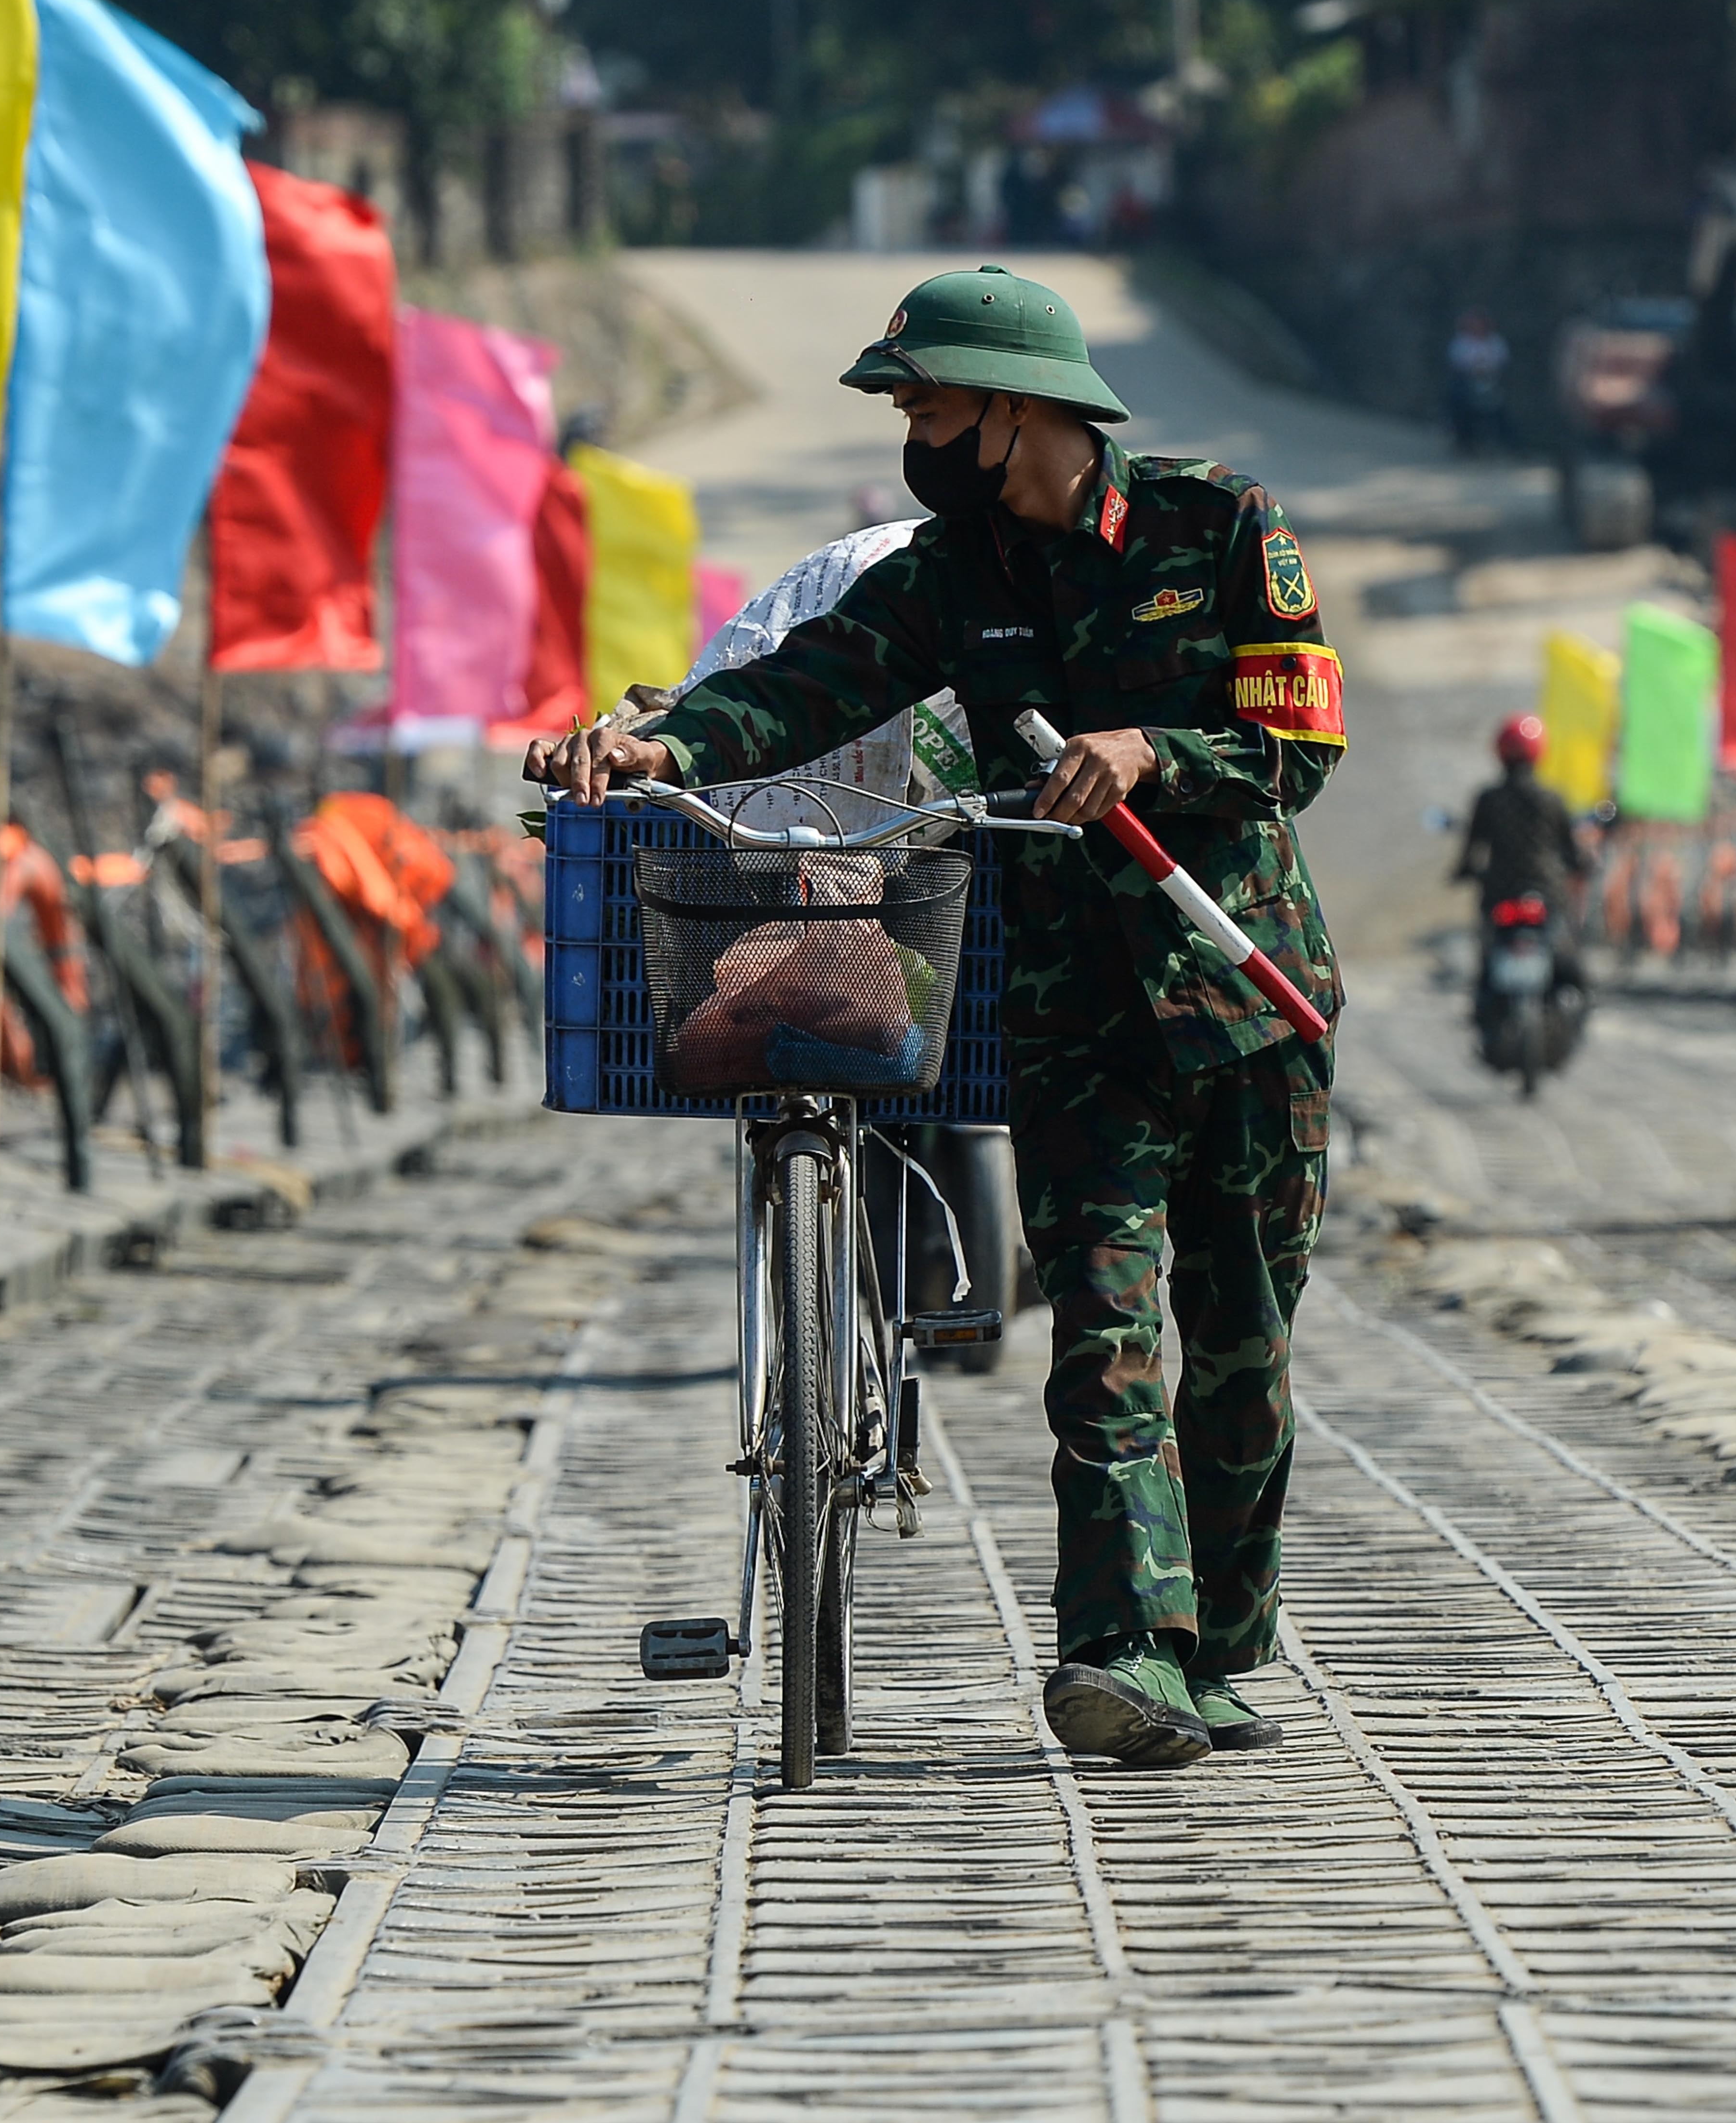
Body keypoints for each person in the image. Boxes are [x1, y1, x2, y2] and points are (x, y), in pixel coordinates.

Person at [529, 265, 1342, 1768]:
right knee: (1102, 1331)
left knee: (1240, 1345)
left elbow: (1297, 738)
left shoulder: (1216, 523)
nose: (909, 425)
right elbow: (804, 686)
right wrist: (659, 745)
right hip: (1070, 1004)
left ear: (1016, 404)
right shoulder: (945, 575)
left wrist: (1151, 748)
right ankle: (1120, 1649)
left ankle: (1220, 1644)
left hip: (1240, 992)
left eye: (924, 399)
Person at [1454, 713, 1588, 960]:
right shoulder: (1552, 799)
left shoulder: (1489, 799)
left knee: (1488, 951)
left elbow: (1473, 847)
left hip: (1499, 890)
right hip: (1547, 889)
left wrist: (1462, 872)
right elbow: (1569, 849)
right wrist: (1581, 865)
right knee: (1566, 953)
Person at [1445, 311, 1510, 455]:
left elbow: (1502, 362)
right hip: (1466, 381)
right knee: (1457, 400)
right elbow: (1457, 362)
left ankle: (1504, 443)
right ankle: (1462, 439)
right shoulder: (1462, 341)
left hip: (1491, 381)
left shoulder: (1495, 342)